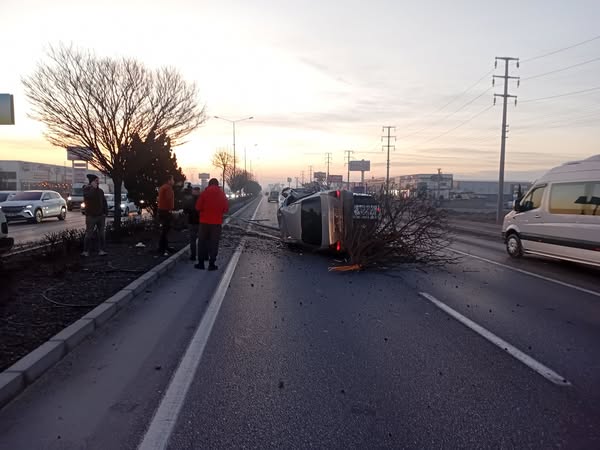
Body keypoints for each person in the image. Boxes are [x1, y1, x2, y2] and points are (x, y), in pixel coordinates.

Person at [195, 178, 229, 271]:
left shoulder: (204, 193)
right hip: (216, 223)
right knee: (214, 243)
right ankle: (211, 264)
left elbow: (198, 207)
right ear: (217, 185)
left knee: (202, 242)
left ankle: (201, 263)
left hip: (204, 223)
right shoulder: (222, 194)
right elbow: (226, 209)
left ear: (209, 184)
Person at [82, 174, 108, 257]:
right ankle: (86, 251)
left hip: (101, 216)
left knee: (101, 234)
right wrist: (93, 188)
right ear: (92, 181)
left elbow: (104, 202)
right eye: (96, 181)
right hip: (91, 216)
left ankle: (102, 250)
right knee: (89, 234)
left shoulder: (100, 191)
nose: (98, 182)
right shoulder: (86, 189)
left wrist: (105, 212)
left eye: (98, 181)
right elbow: (89, 196)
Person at [157, 174, 175, 256]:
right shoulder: (168, 188)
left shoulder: (162, 187)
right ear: (169, 180)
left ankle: (164, 246)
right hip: (166, 211)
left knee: (165, 229)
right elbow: (168, 199)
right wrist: (171, 210)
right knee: (165, 230)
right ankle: (162, 248)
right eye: (172, 179)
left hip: (162, 210)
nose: (173, 181)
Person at [183, 186, 201, 261]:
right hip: (200, 222)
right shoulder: (202, 200)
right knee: (201, 240)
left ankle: (193, 256)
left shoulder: (189, 200)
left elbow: (185, 210)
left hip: (191, 222)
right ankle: (201, 255)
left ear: (193, 191)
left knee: (192, 240)